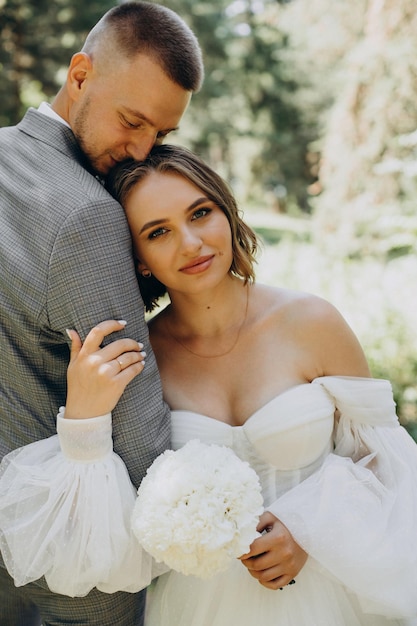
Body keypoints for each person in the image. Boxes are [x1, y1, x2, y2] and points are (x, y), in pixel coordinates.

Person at [1, 145, 417, 626]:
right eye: (158, 232)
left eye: (201, 213)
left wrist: (310, 527)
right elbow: (94, 539)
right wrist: (83, 419)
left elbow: (386, 461)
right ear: (138, 260)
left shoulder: (312, 322)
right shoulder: (142, 358)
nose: (192, 243)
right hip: (195, 609)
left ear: (227, 210)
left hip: (324, 596)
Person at [0, 3, 203, 624]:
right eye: (132, 121)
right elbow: (136, 413)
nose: (140, 150)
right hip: (76, 554)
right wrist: (192, 530)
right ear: (80, 74)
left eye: (160, 136)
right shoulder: (86, 213)